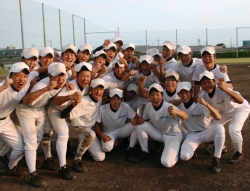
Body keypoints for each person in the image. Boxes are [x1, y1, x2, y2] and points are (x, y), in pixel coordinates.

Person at [17, 62, 76, 188]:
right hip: (25, 109)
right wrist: (46, 88)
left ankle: (58, 166)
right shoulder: (42, 85)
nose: (60, 79)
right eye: (56, 76)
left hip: (39, 109)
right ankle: (32, 174)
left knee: (38, 138)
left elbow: (61, 81)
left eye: (62, 75)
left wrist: (67, 83)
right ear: (49, 76)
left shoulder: (61, 81)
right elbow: (26, 100)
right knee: (30, 141)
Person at [47, 62, 92, 176]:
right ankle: (62, 167)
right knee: (61, 133)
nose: (85, 79)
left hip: (65, 112)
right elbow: (55, 101)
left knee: (57, 134)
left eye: (88, 76)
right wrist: (71, 97)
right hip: (55, 110)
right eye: (82, 76)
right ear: (76, 76)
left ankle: (54, 160)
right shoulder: (71, 86)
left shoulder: (85, 88)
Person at [130, 83, 187, 167]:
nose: (155, 97)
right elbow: (144, 120)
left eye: (157, 94)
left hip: (174, 136)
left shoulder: (168, 107)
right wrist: (136, 120)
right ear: (149, 97)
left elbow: (185, 116)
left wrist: (177, 112)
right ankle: (145, 152)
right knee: (141, 125)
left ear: (162, 96)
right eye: (152, 95)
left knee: (166, 163)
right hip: (161, 134)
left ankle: (178, 148)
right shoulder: (148, 106)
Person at [199, 71, 250, 164]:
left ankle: (239, 153)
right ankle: (222, 147)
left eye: (209, 82)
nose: (207, 85)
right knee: (212, 127)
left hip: (240, 109)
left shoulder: (221, 89)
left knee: (233, 129)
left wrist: (226, 89)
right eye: (203, 83)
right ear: (201, 85)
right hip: (225, 112)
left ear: (214, 81)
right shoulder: (203, 96)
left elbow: (241, 101)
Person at [0, 62, 39, 177]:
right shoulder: (3, 88)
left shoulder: (25, 84)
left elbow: (37, 71)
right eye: (18, 75)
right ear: (10, 76)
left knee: (20, 148)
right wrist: (3, 87)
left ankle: (11, 168)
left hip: (5, 121)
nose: (22, 79)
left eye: (25, 76)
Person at [177, 82, 225, 173]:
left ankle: (216, 159)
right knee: (184, 157)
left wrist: (206, 104)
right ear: (178, 95)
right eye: (181, 93)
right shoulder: (179, 106)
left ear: (191, 92)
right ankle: (194, 149)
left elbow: (218, 117)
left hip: (206, 132)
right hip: (192, 135)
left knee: (219, 127)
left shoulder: (200, 104)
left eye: (186, 92)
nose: (184, 95)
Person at [60, 78, 106, 173]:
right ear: (91, 90)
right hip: (75, 130)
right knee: (91, 134)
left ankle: (84, 147)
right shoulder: (84, 101)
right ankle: (77, 160)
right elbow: (65, 115)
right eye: (96, 89)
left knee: (100, 157)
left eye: (101, 89)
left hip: (87, 131)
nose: (98, 92)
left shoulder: (100, 100)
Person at [93, 88, 140, 157]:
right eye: (113, 99)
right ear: (109, 100)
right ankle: (114, 142)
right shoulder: (102, 109)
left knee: (138, 125)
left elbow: (137, 117)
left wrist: (133, 120)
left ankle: (130, 148)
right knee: (107, 148)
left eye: (118, 99)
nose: (116, 102)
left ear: (121, 100)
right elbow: (95, 125)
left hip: (122, 130)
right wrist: (102, 135)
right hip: (109, 133)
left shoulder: (125, 106)